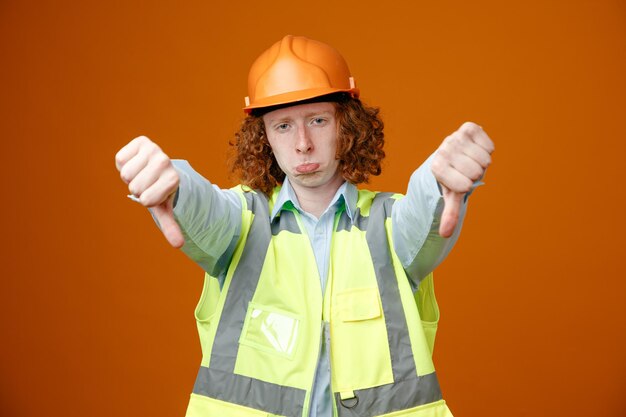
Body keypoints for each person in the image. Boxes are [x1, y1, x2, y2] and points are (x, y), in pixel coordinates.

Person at [115, 35, 494, 417]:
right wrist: (175, 182)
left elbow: (422, 214)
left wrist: (438, 182)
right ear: (263, 137)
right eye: (282, 126)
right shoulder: (241, 220)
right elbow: (203, 207)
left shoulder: (390, 224)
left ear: (346, 125)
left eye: (317, 120)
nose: (302, 144)